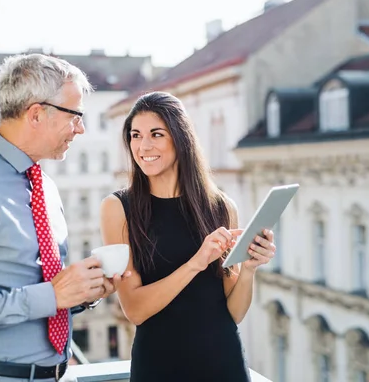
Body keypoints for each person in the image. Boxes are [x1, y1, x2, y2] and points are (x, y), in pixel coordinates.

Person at [100, 91, 276, 382]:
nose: (144, 146)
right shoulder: (118, 208)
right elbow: (135, 310)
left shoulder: (221, 207)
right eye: (135, 135)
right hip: (159, 368)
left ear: (181, 139)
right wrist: (197, 262)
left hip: (225, 365)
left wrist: (248, 268)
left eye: (156, 134)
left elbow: (232, 313)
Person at [0, 53, 126, 382]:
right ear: (37, 114)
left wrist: (83, 293)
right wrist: (52, 295)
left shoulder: (47, 188)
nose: (81, 129)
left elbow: (42, 295)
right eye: (75, 115)